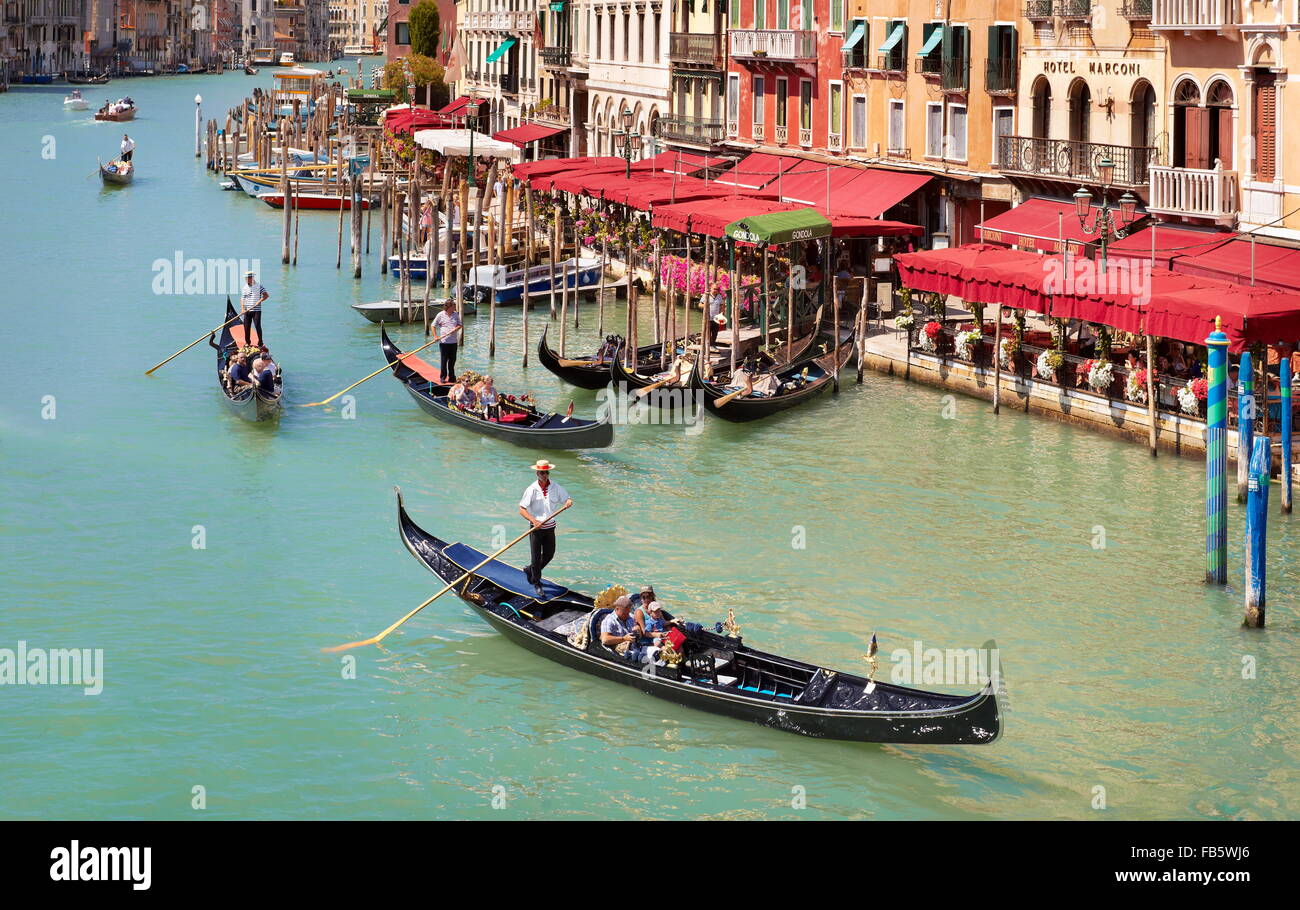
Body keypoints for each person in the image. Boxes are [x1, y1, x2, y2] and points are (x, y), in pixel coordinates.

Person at [518, 459, 573, 598]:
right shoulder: (531, 489)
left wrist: (568, 502)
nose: (545, 475)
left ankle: (530, 570)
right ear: (537, 473)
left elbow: (567, 498)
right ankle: (536, 582)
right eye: (542, 473)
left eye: (546, 472)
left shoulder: (555, 487)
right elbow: (522, 509)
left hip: (550, 528)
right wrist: (533, 520)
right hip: (536, 529)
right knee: (536, 557)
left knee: (549, 554)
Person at [432, 300, 463, 381]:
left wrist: (455, 329)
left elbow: (460, 325)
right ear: (449, 307)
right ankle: (443, 377)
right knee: (444, 361)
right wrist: (435, 336)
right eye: (454, 306)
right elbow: (433, 325)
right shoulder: (440, 315)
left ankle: (452, 378)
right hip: (444, 343)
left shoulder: (456, 314)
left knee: (452, 361)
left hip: (453, 342)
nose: (455, 307)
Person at [240, 271, 269, 344]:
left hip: (256, 310)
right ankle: (247, 343)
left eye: (249, 278)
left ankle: (260, 342)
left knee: (257, 326)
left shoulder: (259, 286)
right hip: (247, 310)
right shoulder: (245, 287)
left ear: (252, 278)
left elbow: (266, 295)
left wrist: (259, 301)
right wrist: (243, 309)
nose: (247, 279)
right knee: (246, 327)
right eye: (246, 278)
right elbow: (242, 299)